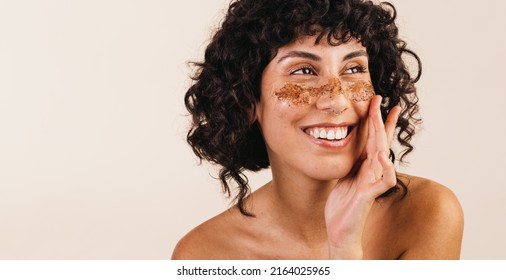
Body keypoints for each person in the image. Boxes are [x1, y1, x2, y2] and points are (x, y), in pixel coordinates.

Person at [172, 0, 463, 259]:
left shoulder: (426, 213)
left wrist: (345, 247)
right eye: (303, 71)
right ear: (248, 102)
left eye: (354, 69)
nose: (336, 100)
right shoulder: (204, 255)